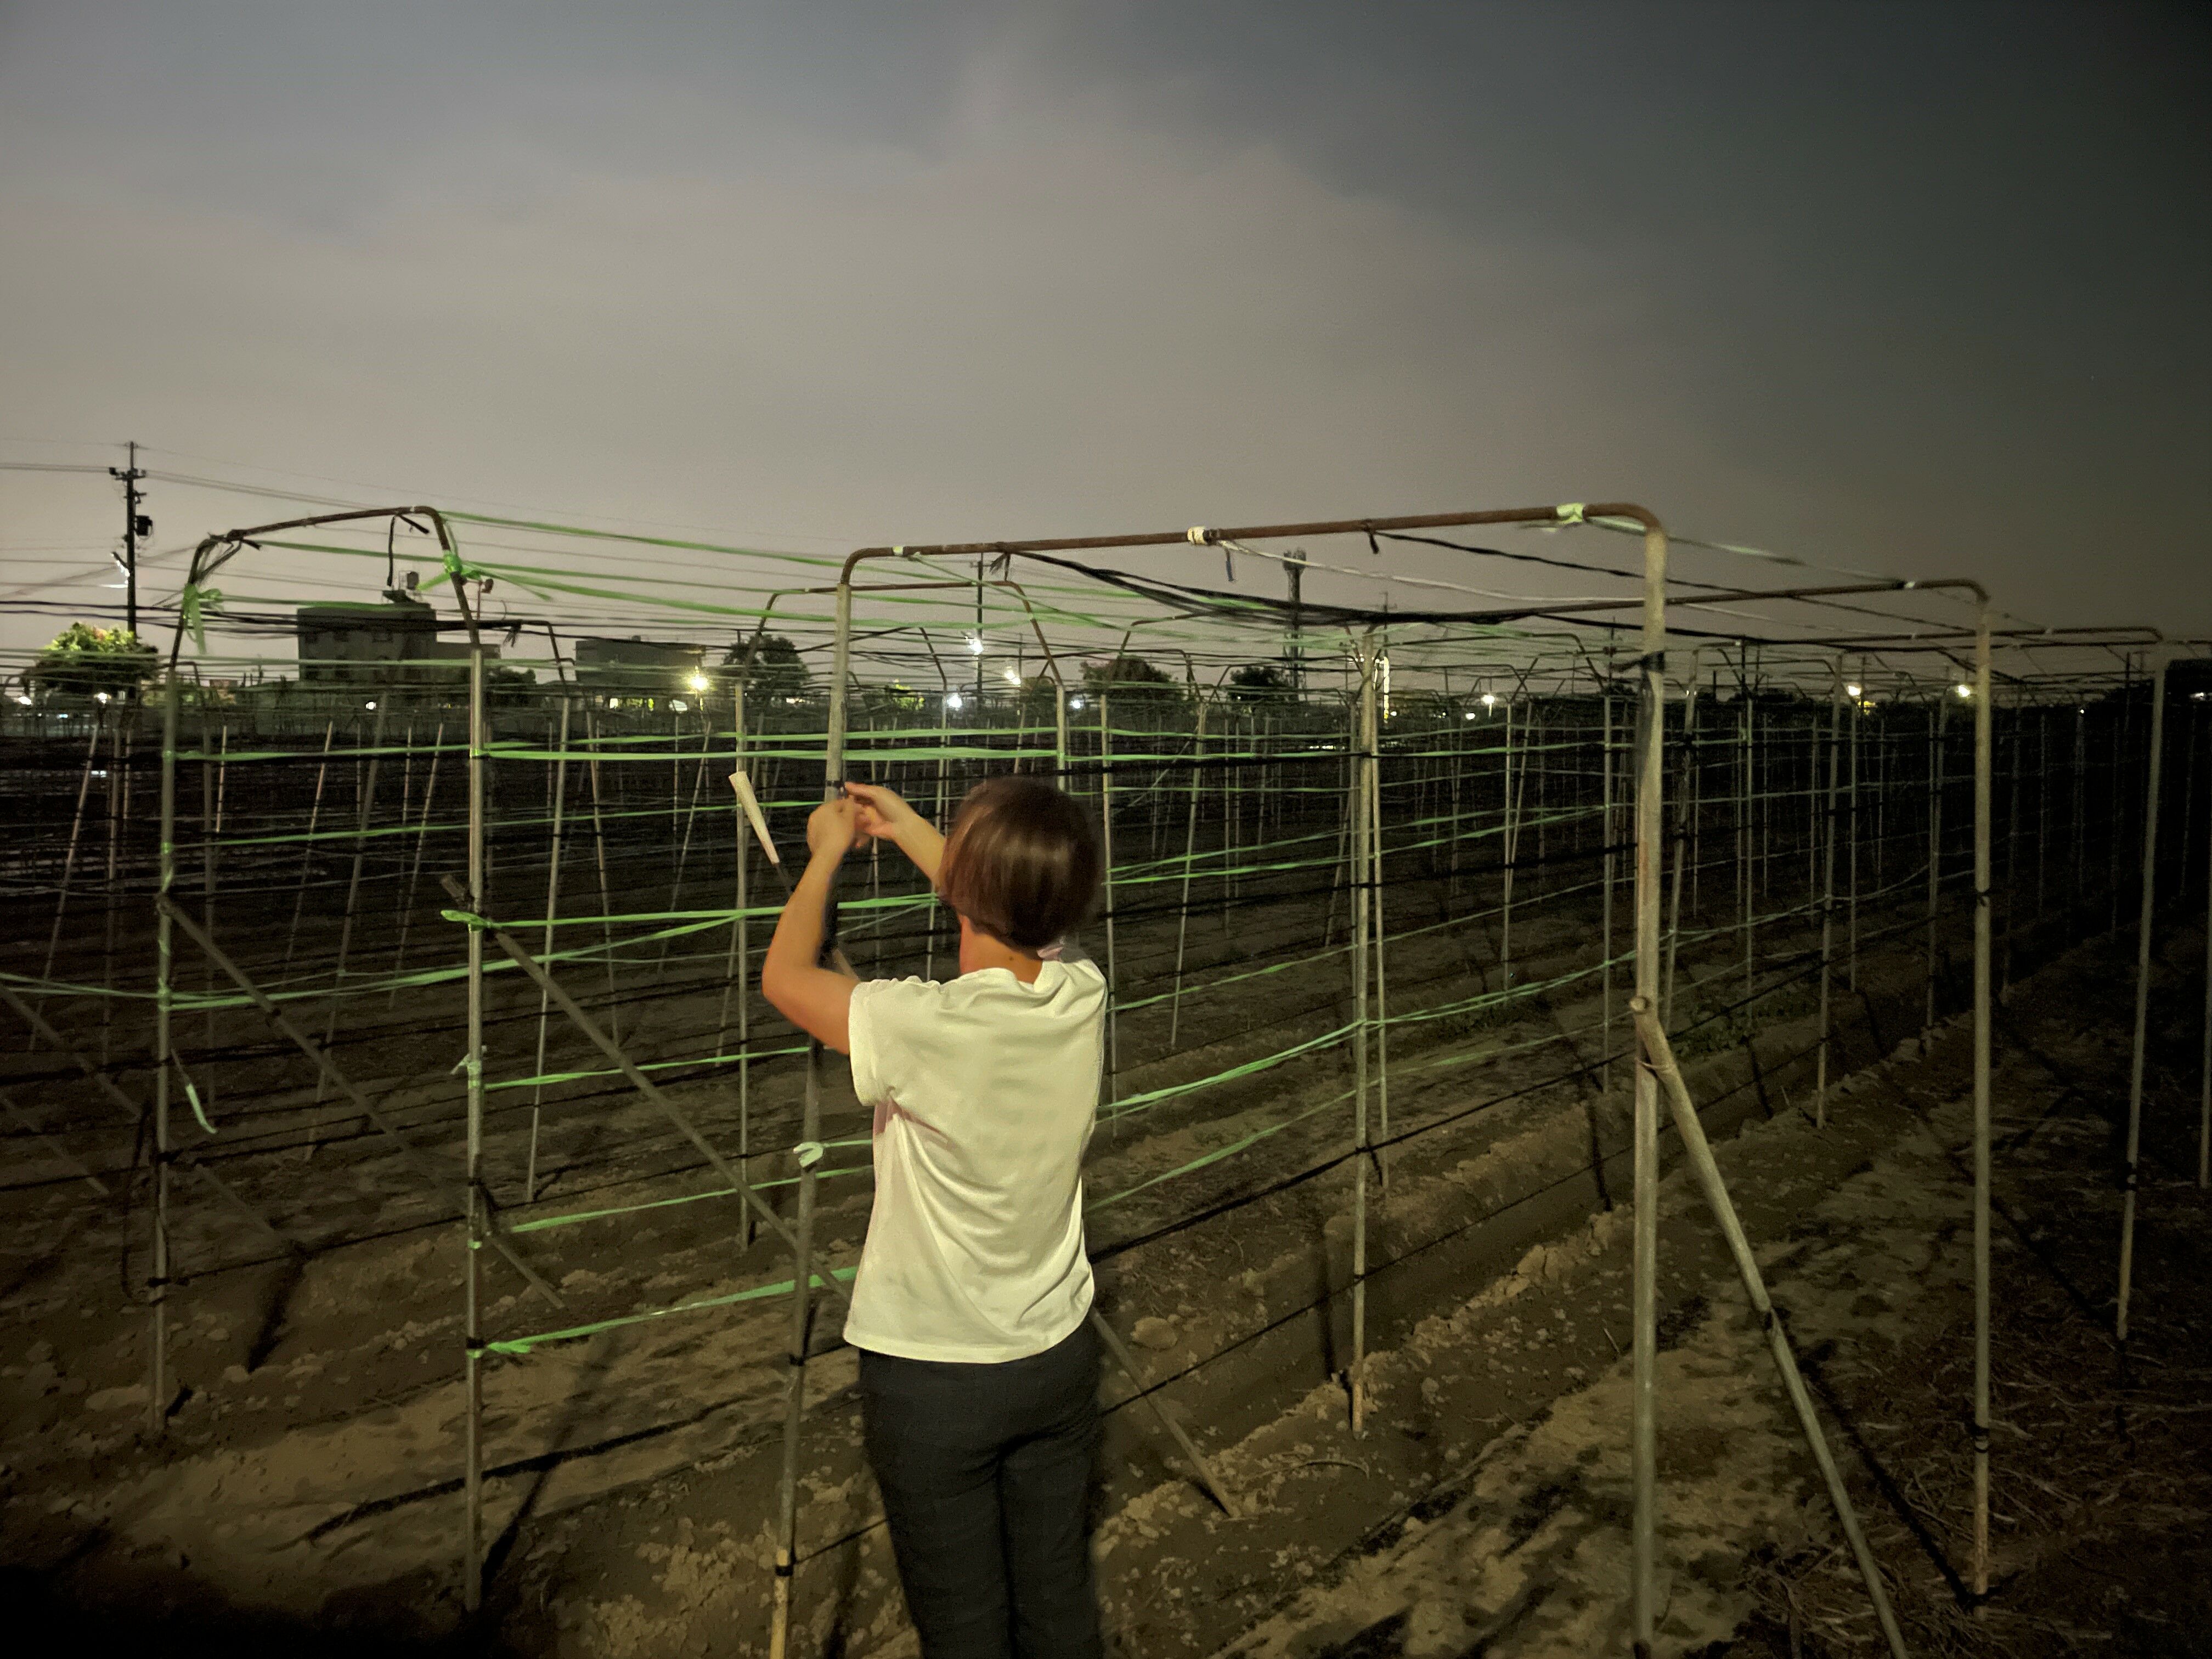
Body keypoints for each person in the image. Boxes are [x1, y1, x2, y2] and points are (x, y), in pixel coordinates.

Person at [759, 774, 1108, 1659]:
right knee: (1058, 1600)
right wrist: (907, 825)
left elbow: (785, 978)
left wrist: (828, 854)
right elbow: (1001, 896)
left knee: (963, 1630)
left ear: (965, 892)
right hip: (1057, 1356)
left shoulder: (922, 1023)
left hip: (936, 1383)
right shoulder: (1082, 994)